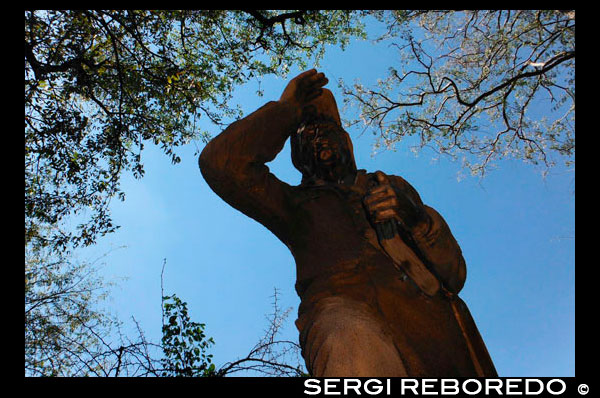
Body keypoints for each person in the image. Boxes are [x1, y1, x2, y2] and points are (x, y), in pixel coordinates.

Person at [199, 69, 497, 376]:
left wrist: (417, 219)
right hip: (343, 321)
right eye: (308, 136)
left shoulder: (390, 185)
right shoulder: (292, 205)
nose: (319, 139)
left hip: (434, 334)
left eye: (326, 131)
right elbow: (220, 164)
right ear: (299, 156)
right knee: (346, 337)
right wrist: (286, 109)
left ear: (346, 142)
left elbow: (455, 275)